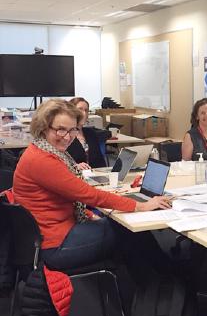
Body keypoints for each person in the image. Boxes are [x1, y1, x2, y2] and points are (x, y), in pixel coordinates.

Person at [12, 99, 171, 271]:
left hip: (50, 236)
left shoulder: (43, 150)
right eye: (60, 130)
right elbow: (89, 195)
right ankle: (164, 277)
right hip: (55, 246)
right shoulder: (43, 160)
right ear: (43, 127)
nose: (67, 137)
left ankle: (152, 280)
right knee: (129, 231)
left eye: (72, 129)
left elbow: (63, 196)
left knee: (125, 233)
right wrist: (140, 205)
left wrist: (87, 213)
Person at [66, 97, 109, 169]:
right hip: (74, 174)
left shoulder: (91, 133)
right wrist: (75, 167)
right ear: (71, 112)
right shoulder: (65, 135)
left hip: (95, 175)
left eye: (86, 110)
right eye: (80, 109)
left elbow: (100, 161)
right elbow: (59, 161)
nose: (84, 113)